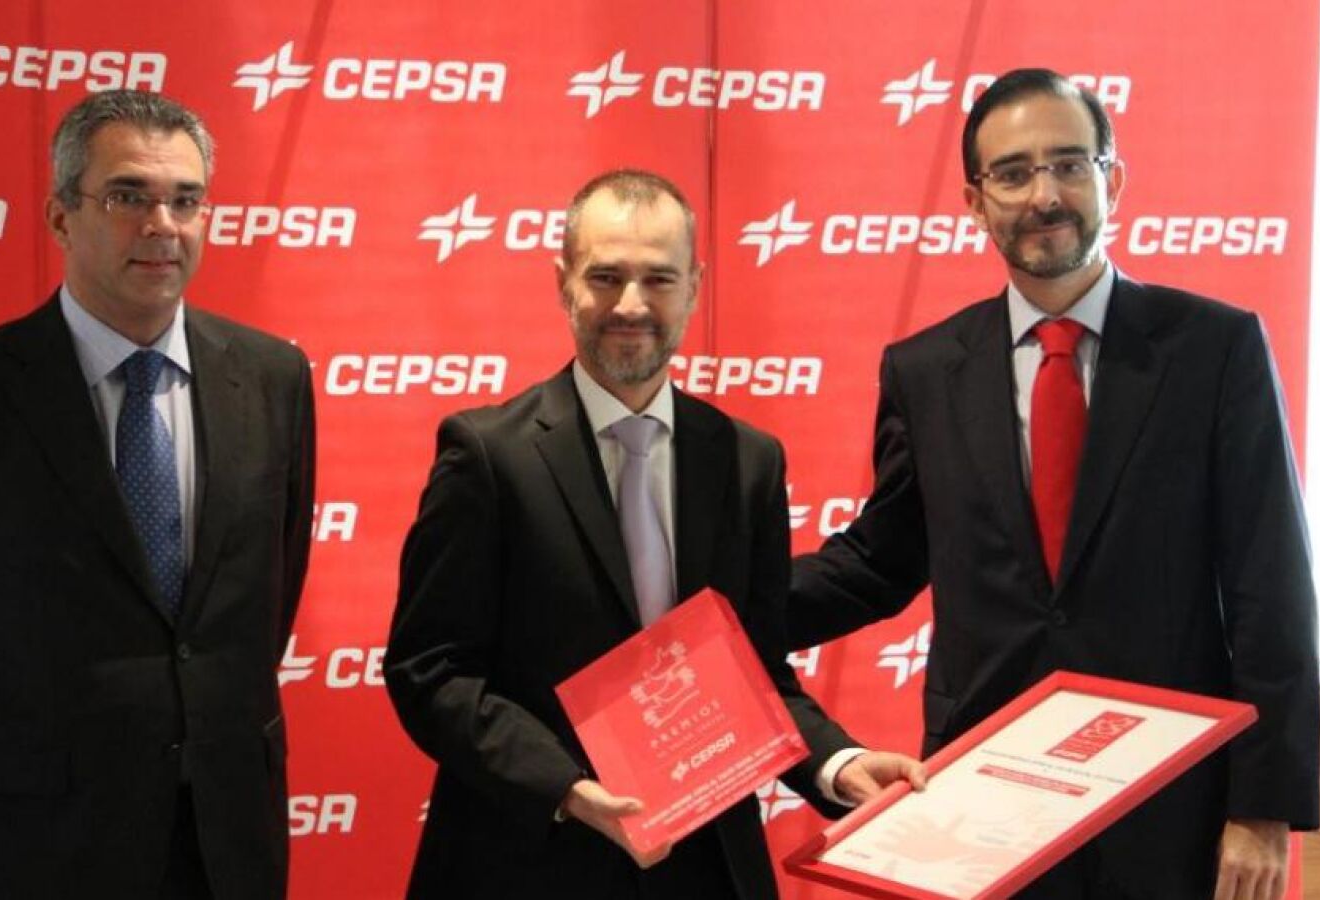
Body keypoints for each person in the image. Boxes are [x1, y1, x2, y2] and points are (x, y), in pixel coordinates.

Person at [787, 69, 1320, 900]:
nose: (1044, 195)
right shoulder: (924, 371)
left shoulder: (1214, 350)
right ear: (975, 202)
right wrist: (720, 606)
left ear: (1112, 180)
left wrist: (1262, 807)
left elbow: (1270, 587)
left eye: (1069, 164)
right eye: (1012, 173)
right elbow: (879, 563)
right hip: (982, 801)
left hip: (1168, 803)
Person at [385, 169, 922, 899]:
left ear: (694, 287)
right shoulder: (487, 456)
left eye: (658, 279)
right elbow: (430, 670)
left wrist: (837, 764)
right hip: (528, 859)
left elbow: (755, 670)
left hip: (705, 865)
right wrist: (568, 789)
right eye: (605, 277)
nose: (631, 305)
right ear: (562, 281)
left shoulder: (747, 461)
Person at [0, 90, 316, 900]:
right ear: (60, 216)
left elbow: (263, 605)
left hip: (220, 843)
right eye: (127, 196)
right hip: (21, 845)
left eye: (185, 200)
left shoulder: (272, 378)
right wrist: (6, 764)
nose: (162, 225)